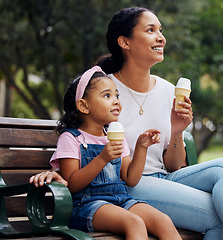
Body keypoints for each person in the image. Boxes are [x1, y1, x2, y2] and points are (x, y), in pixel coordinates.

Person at [30, 7, 223, 239]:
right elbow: (81, 135)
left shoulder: (169, 90)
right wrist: (55, 171)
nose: (161, 37)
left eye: (160, 30)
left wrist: (177, 131)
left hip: (165, 178)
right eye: (150, 30)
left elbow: (173, 166)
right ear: (125, 42)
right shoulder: (102, 89)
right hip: (128, 185)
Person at [47, 67, 181, 240]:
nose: (116, 101)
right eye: (107, 96)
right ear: (83, 106)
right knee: (134, 222)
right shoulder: (71, 138)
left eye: (117, 95)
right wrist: (102, 158)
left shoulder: (114, 136)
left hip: (120, 199)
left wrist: (141, 148)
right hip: (86, 205)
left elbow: (130, 178)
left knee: (163, 221)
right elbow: (71, 184)